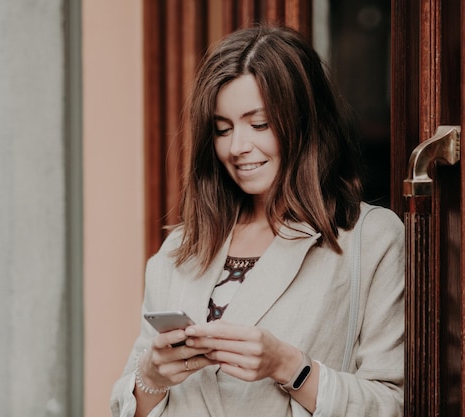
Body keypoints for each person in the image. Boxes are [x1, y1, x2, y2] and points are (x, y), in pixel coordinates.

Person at [110, 25, 404, 417]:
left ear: (304, 122)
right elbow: (130, 405)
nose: (237, 147)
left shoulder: (370, 239)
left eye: (259, 124)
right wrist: (152, 377)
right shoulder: (181, 248)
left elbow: (393, 404)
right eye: (223, 129)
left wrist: (289, 367)